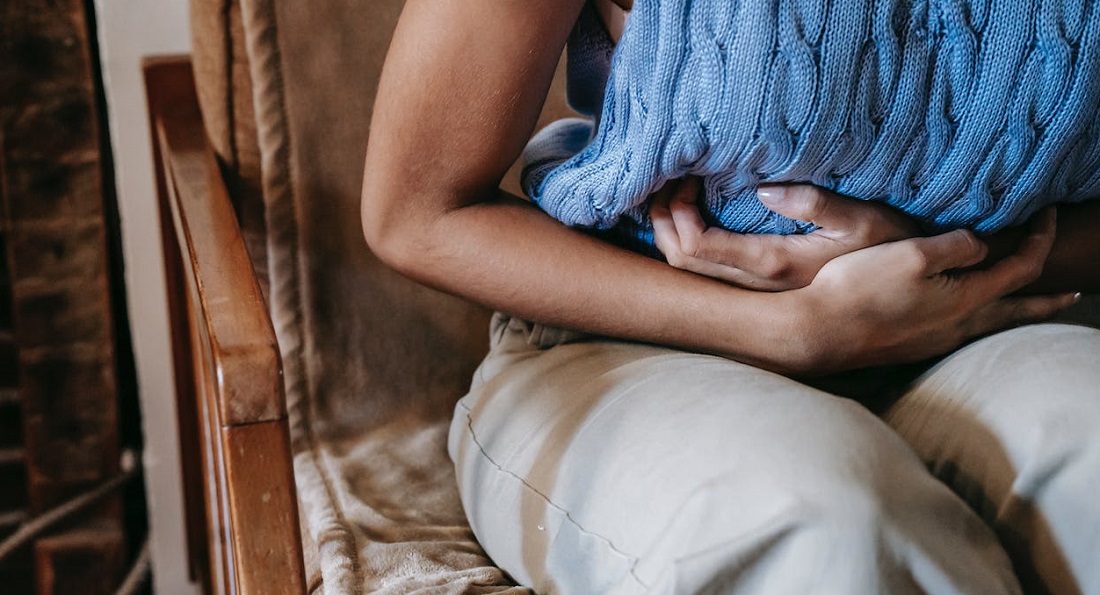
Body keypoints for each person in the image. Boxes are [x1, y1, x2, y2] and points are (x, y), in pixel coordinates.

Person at [361, 0, 1100, 593]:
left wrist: (934, 262)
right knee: (829, 528)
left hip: (981, 327)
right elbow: (417, 213)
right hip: (633, 346)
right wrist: (789, 328)